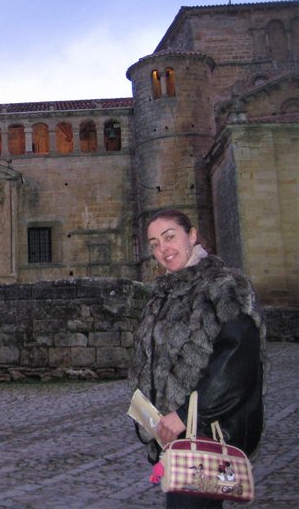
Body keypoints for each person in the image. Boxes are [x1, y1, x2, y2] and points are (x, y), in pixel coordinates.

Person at [129, 209, 266, 509]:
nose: (162, 249)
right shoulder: (164, 294)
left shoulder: (222, 286)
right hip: (174, 438)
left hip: (204, 433)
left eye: (169, 237)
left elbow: (237, 362)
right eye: (154, 243)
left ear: (191, 236)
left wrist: (185, 413)